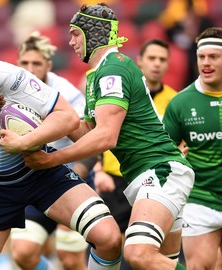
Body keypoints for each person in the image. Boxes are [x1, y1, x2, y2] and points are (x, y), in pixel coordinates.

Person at [14, 3, 195, 270]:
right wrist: (48, 108)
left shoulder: (113, 69)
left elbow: (105, 137)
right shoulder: (97, 74)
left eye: (76, 33)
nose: (70, 40)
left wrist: (50, 160)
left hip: (159, 171)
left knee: (137, 254)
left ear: (94, 34)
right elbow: (86, 131)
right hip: (147, 174)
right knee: (160, 264)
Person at [0, 34, 123, 270]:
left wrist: (24, 143)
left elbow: (69, 118)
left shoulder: (11, 77)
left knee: (110, 238)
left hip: (41, 173)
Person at [10, 31, 94, 270]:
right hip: (32, 178)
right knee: (23, 253)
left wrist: (77, 174)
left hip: (68, 176)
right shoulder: (8, 90)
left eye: (36, 63)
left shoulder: (65, 93)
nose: (30, 68)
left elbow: (90, 142)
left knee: (70, 259)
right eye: (25, 63)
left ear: (48, 65)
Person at [94, 38, 178, 270]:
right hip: (114, 182)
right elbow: (100, 131)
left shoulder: (175, 101)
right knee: (110, 250)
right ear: (139, 61)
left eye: (162, 59)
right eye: (152, 58)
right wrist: (98, 170)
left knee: (142, 255)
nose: (157, 64)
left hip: (155, 178)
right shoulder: (120, 89)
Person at [163, 26, 222, 270]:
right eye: (201, 57)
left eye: (214, 57)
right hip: (200, 198)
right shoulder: (181, 103)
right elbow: (163, 151)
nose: (206, 63)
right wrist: (175, 157)